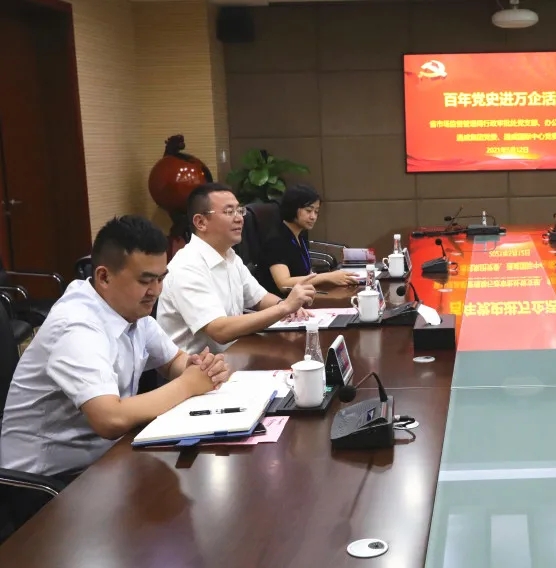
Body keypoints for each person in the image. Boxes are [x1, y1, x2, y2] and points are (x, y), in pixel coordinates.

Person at [0, 215, 230, 479]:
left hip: (104, 460)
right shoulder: (76, 325)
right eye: (145, 281)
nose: (156, 291)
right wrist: (189, 384)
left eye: (160, 279)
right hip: (45, 482)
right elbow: (110, 419)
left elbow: (172, 360)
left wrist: (197, 367)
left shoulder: (131, 310)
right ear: (104, 277)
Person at [157, 183, 316, 354]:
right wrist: (284, 308)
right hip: (196, 366)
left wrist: (284, 304)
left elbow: (259, 298)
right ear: (201, 222)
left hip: (233, 354)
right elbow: (220, 331)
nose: (239, 218)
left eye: (240, 211)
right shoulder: (187, 266)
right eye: (229, 212)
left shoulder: (231, 256)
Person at [256, 184, 358, 297]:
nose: (313, 217)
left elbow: (305, 272)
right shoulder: (275, 241)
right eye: (309, 211)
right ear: (292, 208)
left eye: (316, 211)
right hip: (281, 302)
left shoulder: (300, 234)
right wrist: (327, 277)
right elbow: (284, 285)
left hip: (302, 297)